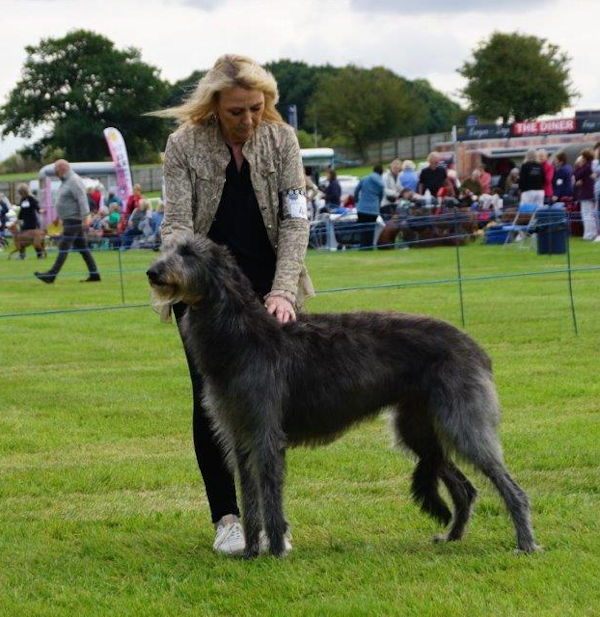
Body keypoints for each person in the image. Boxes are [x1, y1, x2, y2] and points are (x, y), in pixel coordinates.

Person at [152, 53, 313, 556]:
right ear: (213, 107)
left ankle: (272, 518)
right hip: (204, 289)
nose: (248, 121)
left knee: (270, 407)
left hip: (269, 285)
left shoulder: (282, 139)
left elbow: (295, 219)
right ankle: (227, 518)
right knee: (213, 401)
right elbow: (177, 224)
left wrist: (284, 290)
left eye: (256, 109)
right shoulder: (182, 145)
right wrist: (189, 280)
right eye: (236, 111)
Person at [34, 159, 101, 283]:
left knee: (63, 247)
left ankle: (51, 275)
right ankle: (94, 274)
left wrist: (87, 217)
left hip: (73, 221)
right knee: (83, 249)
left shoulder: (74, 181)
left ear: (63, 168)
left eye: (56, 170)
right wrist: (58, 217)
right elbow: (65, 201)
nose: (55, 173)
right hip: (69, 220)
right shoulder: (66, 181)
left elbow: (82, 199)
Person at [354, 164, 384, 249]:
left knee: (362, 228)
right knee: (371, 229)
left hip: (362, 208)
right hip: (373, 209)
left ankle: (362, 246)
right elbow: (381, 196)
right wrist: (378, 204)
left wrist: (357, 201)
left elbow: (356, 190)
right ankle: (369, 246)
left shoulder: (364, 178)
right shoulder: (381, 183)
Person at [573, 149, 599, 241]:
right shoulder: (591, 165)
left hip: (587, 194)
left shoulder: (586, 166)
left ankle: (589, 234)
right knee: (589, 214)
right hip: (590, 193)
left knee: (587, 215)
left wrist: (578, 165)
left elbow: (576, 175)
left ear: (584, 157)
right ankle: (589, 234)